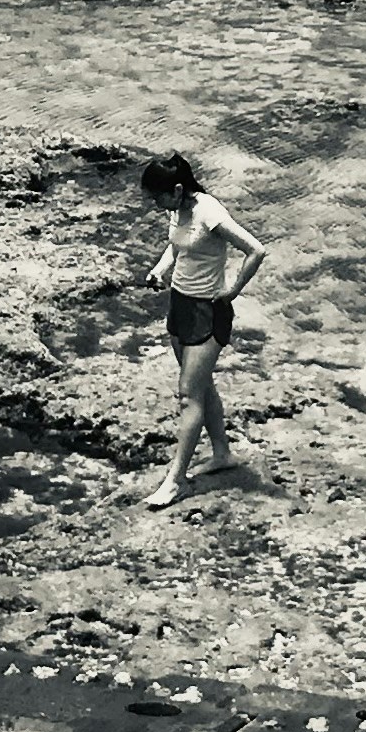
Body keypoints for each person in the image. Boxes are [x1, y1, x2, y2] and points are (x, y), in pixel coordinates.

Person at [133, 153, 268, 512]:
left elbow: (255, 249)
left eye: (158, 197)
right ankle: (222, 453)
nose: (155, 204)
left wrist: (233, 290)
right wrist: (160, 269)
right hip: (180, 305)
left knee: (187, 395)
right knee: (202, 386)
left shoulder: (210, 212)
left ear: (177, 189)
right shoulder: (176, 209)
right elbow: (177, 245)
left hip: (208, 312)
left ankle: (174, 482)